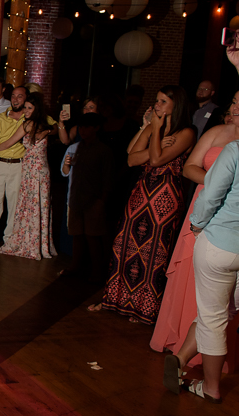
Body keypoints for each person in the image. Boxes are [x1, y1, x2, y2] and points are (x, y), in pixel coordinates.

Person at [89, 86, 197, 323]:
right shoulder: (153, 126)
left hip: (165, 195)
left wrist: (155, 134)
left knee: (153, 250)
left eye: (162, 101)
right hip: (141, 191)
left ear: (175, 105)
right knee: (124, 243)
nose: (156, 105)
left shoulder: (187, 132)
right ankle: (115, 299)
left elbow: (157, 160)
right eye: (156, 100)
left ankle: (143, 309)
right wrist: (151, 131)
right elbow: (130, 157)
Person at [151, 90, 239, 374]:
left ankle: (210, 360)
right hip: (204, 207)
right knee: (197, 277)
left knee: (223, 300)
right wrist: (217, 185)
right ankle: (181, 349)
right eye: (234, 100)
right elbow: (189, 167)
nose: (234, 105)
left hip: (229, 216)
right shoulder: (216, 132)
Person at [0, 93, 57, 260]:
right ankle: (27, 241)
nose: (26, 110)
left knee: (41, 205)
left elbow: (57, 130)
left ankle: (39, 244)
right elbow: (8, 142)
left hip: (42, 171)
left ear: (37, 109)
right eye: (25, 107)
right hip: (29, 170)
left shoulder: (45, 124)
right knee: (28, 205)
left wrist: (48, 130)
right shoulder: (26, 125)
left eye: (29, 108)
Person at [59, 113, 114, 281]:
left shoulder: (103, 151)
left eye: (87, 127)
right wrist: (67, 165)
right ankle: (75, 266)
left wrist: (102, 201)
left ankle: (97, 270)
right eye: (81, 127)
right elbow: (64, 172)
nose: (83, 130)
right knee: (77, 235)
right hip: (75, 199)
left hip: (93, 200)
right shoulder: (74, 148)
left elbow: (107, 178)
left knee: (93, 236)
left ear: (96, 128)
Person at [0, 86, 28, 245]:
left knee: (15, 203)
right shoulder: (0, 118)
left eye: (20, 96)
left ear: (26, 98)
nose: (16, 99)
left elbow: (50, 127)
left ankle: (10, 239)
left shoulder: (29, 117)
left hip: (18, 165)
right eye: (14, 96)